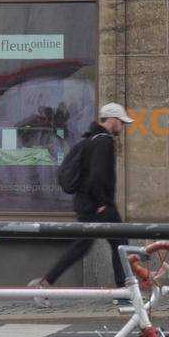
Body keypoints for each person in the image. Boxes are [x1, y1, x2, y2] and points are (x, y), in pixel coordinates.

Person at [30, 102, 133, 306]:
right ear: (113, 120)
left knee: (85, 246)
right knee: (120, 243)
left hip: (87, 203)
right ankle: (123, 293)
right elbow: (97, 174)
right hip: (98, 205)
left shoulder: (90, 139)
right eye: (121, 122)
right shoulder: (103, 141)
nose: (123, 126)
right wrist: (102, 202)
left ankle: (45, 283)